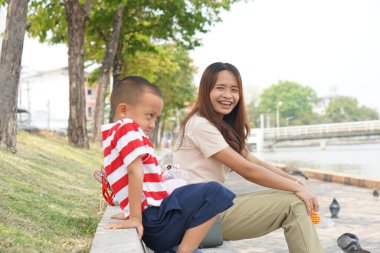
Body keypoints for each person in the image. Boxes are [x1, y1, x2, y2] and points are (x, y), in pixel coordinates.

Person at [173, 62, 323, 253]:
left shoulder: (218, 127)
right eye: (220, 88)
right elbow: (247, 170)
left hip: (206, 210)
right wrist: (297, 188)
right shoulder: (200, 125)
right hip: (200, 218)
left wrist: (298, 183)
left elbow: (256, 162)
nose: (228, 95)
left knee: (295, 196)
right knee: (294, 204)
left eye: (234, 90)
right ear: (205, 91)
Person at [101, 76, 235, 253]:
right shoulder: (127, 127)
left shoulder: (113, 136)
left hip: (155, 220)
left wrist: (130, 210)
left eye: (156, 117)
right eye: (149, 116)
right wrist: (134, 217)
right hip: (155, 220)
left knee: (193, 196)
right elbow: (134, 171)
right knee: (215, 191)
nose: (153, 124)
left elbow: (126, 179)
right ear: (123, 110)